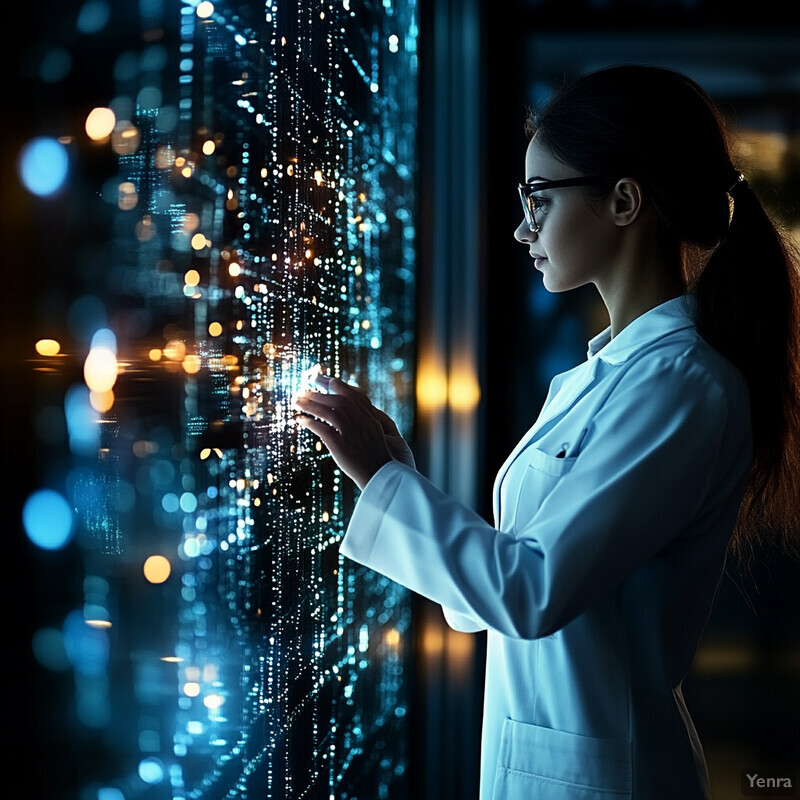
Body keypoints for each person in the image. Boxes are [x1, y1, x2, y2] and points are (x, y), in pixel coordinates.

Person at [293, 64, 800, 799]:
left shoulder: (682, 387)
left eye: (539, 199)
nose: (521, 227)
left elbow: (530, 593)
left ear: (624, 200)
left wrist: (387, 482)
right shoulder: (616, 376)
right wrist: (398, 475)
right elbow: (491, 601)